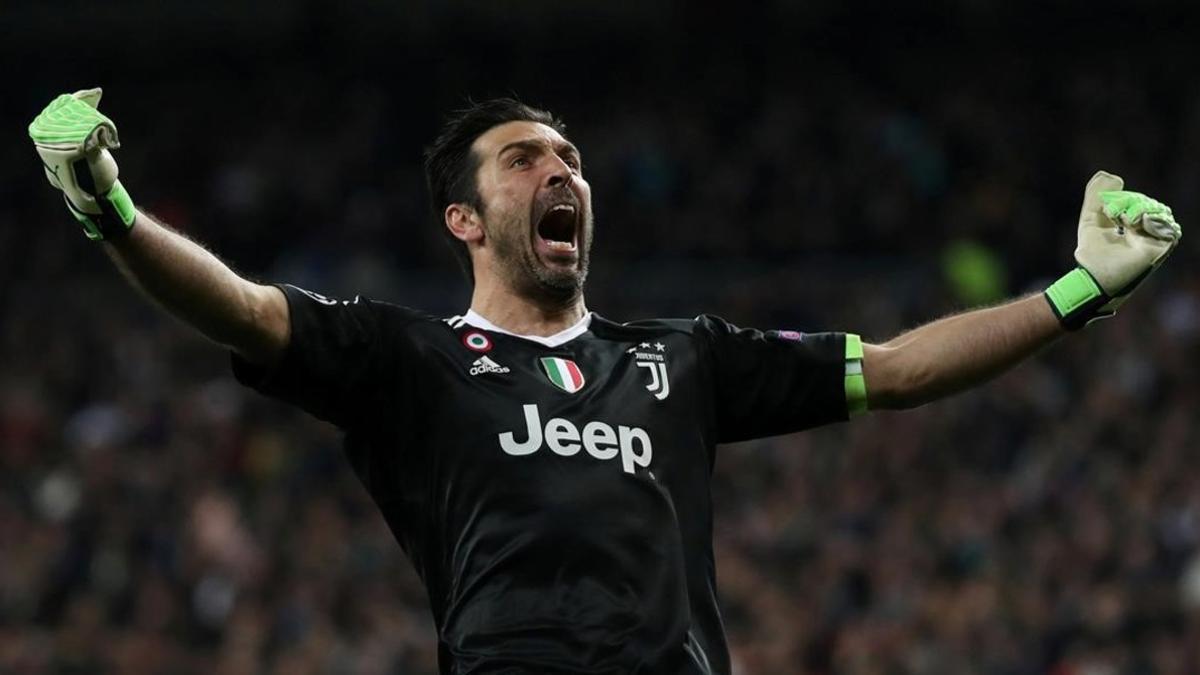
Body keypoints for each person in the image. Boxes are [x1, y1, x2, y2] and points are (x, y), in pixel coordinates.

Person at [28, 88, 1181, 674]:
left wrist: (1082, 291)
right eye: (525, 159)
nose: (559, 170)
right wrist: (111, 212)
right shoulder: (408, 359)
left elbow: (891, 370)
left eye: (569, 158)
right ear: (465, 218)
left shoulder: (678, 357)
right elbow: (239, 306)